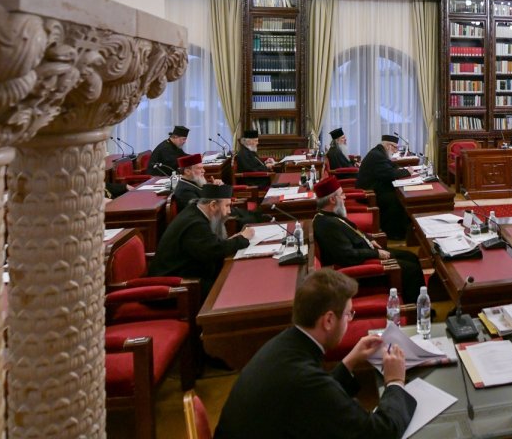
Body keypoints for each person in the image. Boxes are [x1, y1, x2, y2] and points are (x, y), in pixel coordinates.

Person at [214, 269, 415, 439]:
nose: (349, 320)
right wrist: (395, 381)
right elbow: (380, 433)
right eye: (348, 314)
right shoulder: (304, 380)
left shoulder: (286, 343)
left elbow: (317, 398)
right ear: (328, 320)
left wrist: (350, 361)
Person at [311, 176, 424, 304]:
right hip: (363, 271)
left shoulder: (329, 215)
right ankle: (415, 310)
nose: (345, 197)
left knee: (412, 257)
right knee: (412, 270)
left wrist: (370, 239)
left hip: (366, 253)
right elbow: (347, 256)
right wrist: (376, 253)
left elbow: (353, 230)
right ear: (332, 199)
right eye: (341, 194)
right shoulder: (328, 225)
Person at [149, 182, 255, 302]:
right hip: (174, 287)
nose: (229, 211)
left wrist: (233, 240)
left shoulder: (195, 211)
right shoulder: (195, 224)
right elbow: (213, 251)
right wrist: (242, 239)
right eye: (226, 206)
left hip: (189, 276)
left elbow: (209, 245)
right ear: (213, 205)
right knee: (232, 292)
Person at [357, 134, 411, 240]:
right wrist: (407, 172)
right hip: (369, 194)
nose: (396, 151)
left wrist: (401, 169)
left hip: (375, 188)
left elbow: (390, 165)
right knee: (396, 199)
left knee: (398, 195)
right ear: (388, 146)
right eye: (395, 147)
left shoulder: (378, 152)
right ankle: (394, 234)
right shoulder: (377, 155)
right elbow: (390, 174)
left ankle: (404, 230)